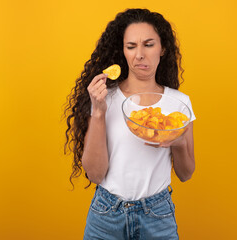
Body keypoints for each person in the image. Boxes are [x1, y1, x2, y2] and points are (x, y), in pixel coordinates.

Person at [63, 8, 196, 239]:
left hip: (158, 216)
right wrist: (98, 112)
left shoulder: (178, 104)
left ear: (163, 48)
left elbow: (185, 174)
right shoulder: (104, 97)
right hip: (106, 215)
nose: (139, 55)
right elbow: (95, 174)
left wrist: (179, 141)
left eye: (148, 44)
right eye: (131, 46)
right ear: (122, 51)